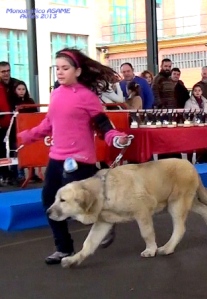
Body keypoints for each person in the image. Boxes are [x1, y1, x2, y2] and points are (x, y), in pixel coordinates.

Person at [17, 48, 131, 265]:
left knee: (79, 206)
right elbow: (49, 124)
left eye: (65, 68)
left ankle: (106, 218)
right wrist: (26, 136)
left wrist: (116, 139)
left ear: (77, 71)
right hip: (56, 159)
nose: (60, 72)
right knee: (49, 203)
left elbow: (104, 126)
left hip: (80, 160)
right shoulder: (56, 93)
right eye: (57, 68)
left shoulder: (87, 97)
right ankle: (63, 248)